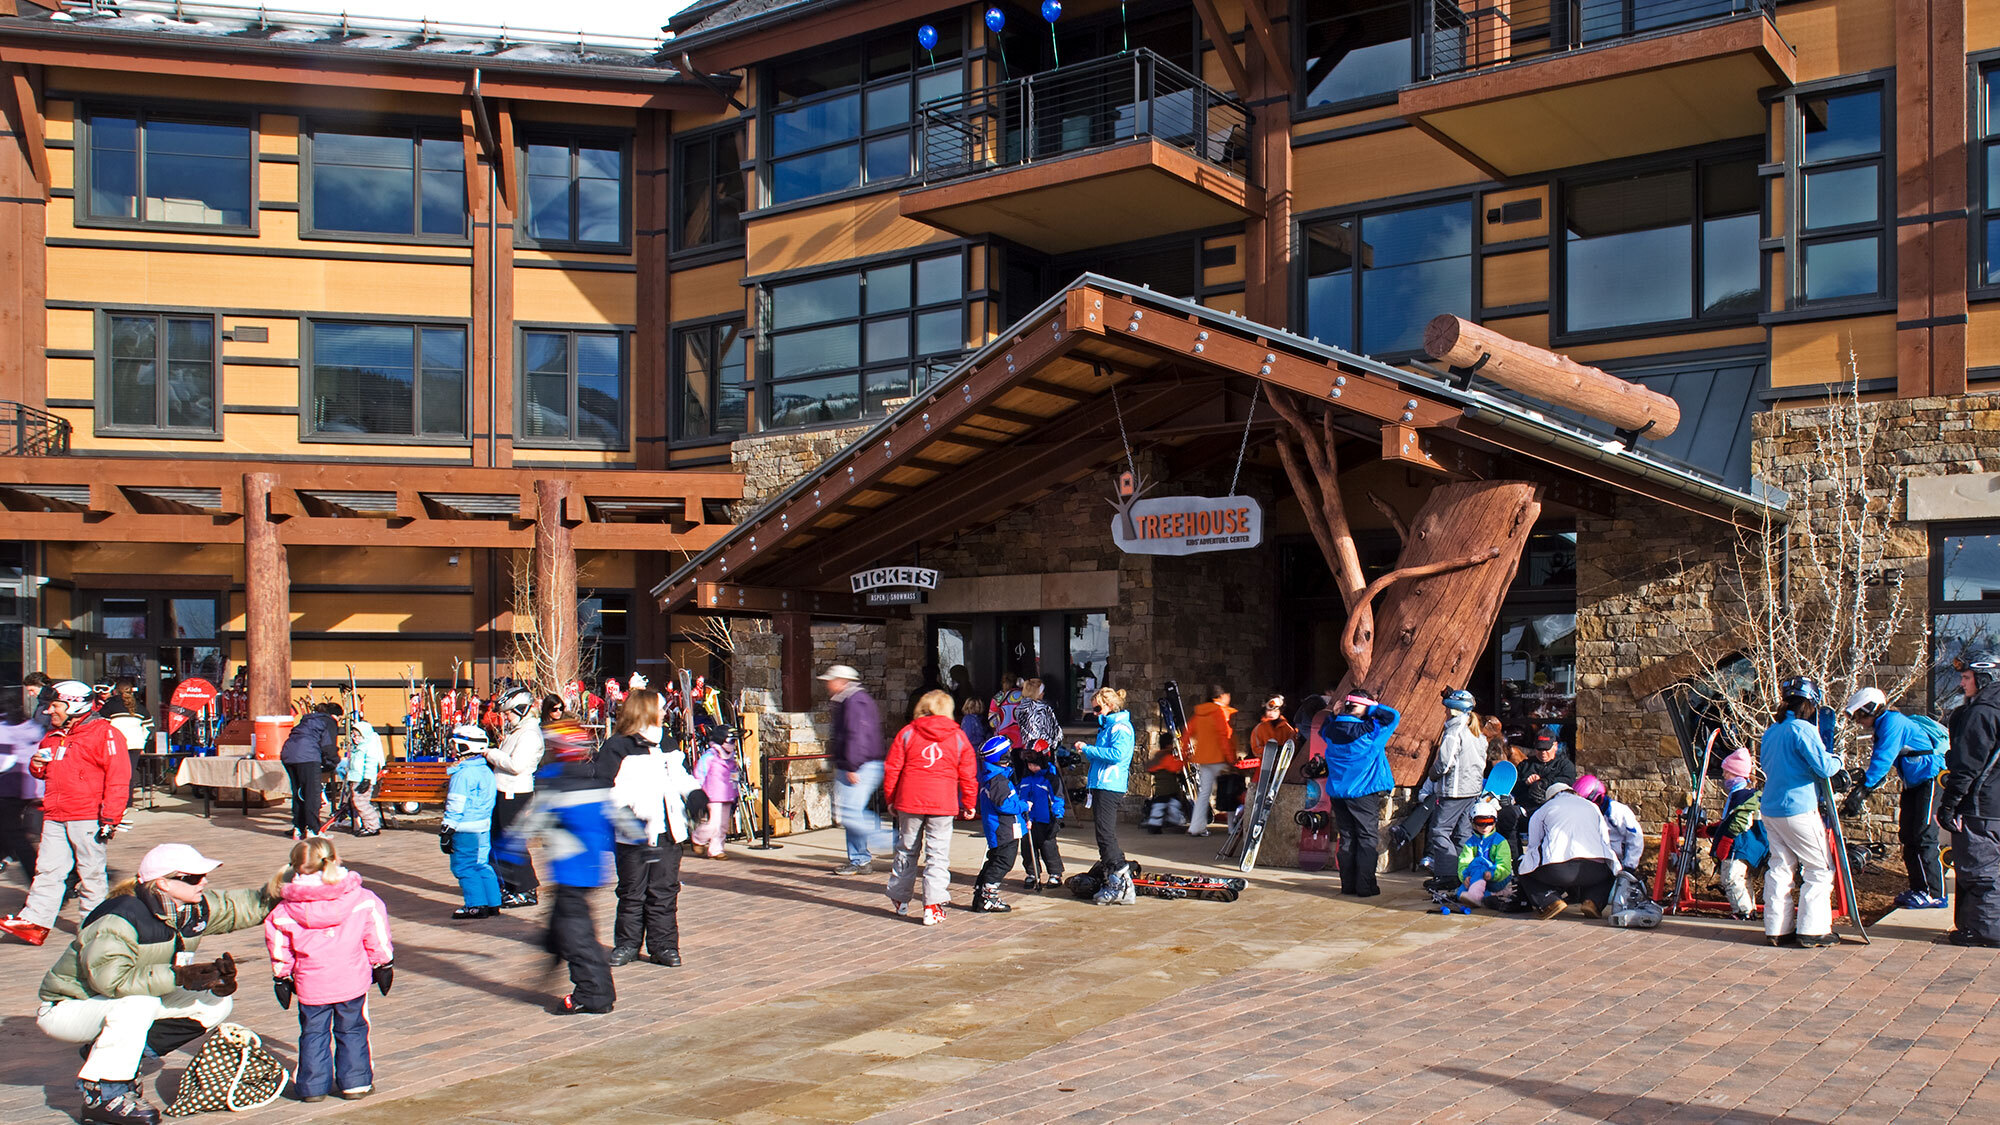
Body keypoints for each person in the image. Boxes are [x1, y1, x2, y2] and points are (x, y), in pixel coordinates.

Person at [37, 842, 277, 1125]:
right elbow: (109, 981)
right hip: (68, 1006)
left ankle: (112, 1054)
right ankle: (104, 1095)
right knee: (139, 1003)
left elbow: (238, 907)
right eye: (193, 877)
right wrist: (179, 977)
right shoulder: (120, 917)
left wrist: (286, 887)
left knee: (214, 1003)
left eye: (203, 876)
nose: (204, 882)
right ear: (162, 883)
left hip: (122, 999)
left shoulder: (188, 908)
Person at [494, 718, 617, 1014]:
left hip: (571, 871)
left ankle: (593, 993)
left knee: (576, 935)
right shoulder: (593, 778)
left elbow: (534, 820)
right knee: (562, 928)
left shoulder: (556, 781)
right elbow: (616, 818)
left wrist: (508, 851)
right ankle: (554, 958)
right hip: (587, 870)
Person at [263, 836, 393, 1103]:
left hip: (311, 984)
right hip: (351, 980)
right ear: (335, 860)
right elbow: (376, 933)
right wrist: (383, 963)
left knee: (313, 1033)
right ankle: (355, 1083)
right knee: (353, 1029)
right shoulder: (361, 898)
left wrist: (281, 976)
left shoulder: (284, 909)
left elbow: (279, 947)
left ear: (296, 866)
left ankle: (312, 1086)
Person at [1, 681, 130, 947]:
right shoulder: (53, 734)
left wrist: (110, 819)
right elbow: (43, 769)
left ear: (74, 704)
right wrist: (36, 765)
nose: (48, 711)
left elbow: (119, 779)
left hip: (87, 816)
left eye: (55, 705)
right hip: (55, 813)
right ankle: (34, 923)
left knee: (90, 873)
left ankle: (92, 927)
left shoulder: (105, 734)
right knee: (47, 870)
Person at [601, 689, 702, 968]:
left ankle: (664, 946)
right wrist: (623, 815)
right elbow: (604, 788)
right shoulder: (617, 746)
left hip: (667, 830)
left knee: (664, 890)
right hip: (633, 833)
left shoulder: (666, 742)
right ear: (645, 710)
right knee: (632, 890)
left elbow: (680, 775)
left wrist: (694, 794)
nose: (664, 712)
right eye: (660, 708)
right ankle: (628, 944)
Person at [1840, 687, 1948, 909]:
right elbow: (1882, 765)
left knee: (1923, 836)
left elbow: (1882, 760)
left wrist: (1862, 792)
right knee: (1907, 836)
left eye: (1860, 715)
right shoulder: (1883, 726)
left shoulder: (1892, 723)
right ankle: (1919, 889)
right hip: (1914, 783)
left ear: (1871, 708)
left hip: (1930, 780)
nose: (1859, 721)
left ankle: (1934, 893)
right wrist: (1862, 789)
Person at [1760, 676, 1843, 948]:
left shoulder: (1772, 731)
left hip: (1771, 807)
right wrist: (1839, 761)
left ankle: (1777, 928)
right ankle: (1813, 929)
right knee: (1819, 867)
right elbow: (1823, 767)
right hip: (1798, 808)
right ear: (1812, 703)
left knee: (1780, 867)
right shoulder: (1802, 729)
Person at [883, 690, 978, 926]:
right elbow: (967, 774)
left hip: (910, 800)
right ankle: (933, 905)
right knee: (937, 854)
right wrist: (969, 802)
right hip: (943, 802)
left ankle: (899, 898)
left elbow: (892, 769)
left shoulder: (907, 733)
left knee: (906, 850)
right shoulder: (957, 737)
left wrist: (891, 798)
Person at [1941, 652, 2000, 947]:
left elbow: (1967, 765)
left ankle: (1984, 930)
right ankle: (1971, 925)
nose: (1962, 684)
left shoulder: (1983, 711)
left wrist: (1949, 802)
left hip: (1981, 804)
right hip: (1994, 804)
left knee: (1980, 870)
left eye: (1966, 678)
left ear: (1983, 678)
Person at [1321, 690, 1400, 898]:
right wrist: (1371, 707)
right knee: (1366, 838)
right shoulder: (1371, 730)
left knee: (1346, 837)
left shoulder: (1331, 730)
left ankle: (1347, 885)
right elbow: (1393, 716)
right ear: (1363, 706)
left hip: (1338, 794)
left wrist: (1335, 713)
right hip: (1363, 793)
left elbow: (1322, 729)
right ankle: (1365, 887)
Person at [824, 664, 890, 876]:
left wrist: (852, 764)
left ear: (841, 681)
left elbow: (856, 734)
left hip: (859, 765)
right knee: (850, 812)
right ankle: (860, 859)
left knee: (850, 813)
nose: (827, 684)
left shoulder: (854, 701)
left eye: (830, 680)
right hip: (856, 763)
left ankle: (890, 841)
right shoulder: (849, 700)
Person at [1517, 782, 1619, 919]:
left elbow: (1533, 846)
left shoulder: (1544, 809)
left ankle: (1549, 900)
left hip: (1556, 870)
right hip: (1594, 871)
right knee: (1610, 867)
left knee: (1522, 866)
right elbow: (1605, 842)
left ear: (1550, 797)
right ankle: (1593, 901)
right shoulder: (1593, 807)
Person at [1075, 687, 1136, 906]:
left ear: (1109, 706)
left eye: (1098, 708)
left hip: (1110, 785)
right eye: (1092, 709)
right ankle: (1119, 878)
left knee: (1105, 834)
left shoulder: (1120, 727)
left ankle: (1120, 880)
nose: (1095, 712)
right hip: (1103, 784)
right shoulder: (1109, 727)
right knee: (1104, 834)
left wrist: (1089, 750)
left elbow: (1118, 755)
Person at [485, 686, 543, 909]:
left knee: (512, 842)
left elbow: (516, 765)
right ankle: (508, 885)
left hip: (515, 793)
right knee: (501, 841)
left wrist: (490, 753)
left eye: (509, 713)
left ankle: (525, 889)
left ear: (521, 710)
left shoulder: (529, 734)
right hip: (505, 791)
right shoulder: (519, 732)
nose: (506, 717)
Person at [1426, 688, 1488, 891]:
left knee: (1439, 831)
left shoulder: (1454, 730)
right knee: (1462, 833)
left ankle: (1447, 875)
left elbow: (1445, 762)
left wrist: (1432, 774)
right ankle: (1463, 874)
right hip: (1471, 790)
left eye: (1447, 709)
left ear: (1453, 710)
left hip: (1454, 791)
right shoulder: (1477, 732)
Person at [440, 724, 501, 921]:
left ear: (464, 747)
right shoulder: (486, 771)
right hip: (483, 826)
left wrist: (447, 830)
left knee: (465, 866)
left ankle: (475, 906)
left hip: (465, 828)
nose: (451, 749)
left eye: (453, 745)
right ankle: (493, 903)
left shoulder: (463, 774)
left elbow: (456, 804)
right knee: (481, 864)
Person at [973, 735, 1030, 913]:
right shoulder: (998, 781)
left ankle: (981, 895)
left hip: (1004, 828)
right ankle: (988, 895)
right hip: (1003, 830)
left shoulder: (996, 777)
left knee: (995, 860)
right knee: (1003, 861)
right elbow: (1004, 805)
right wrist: (1023, 805)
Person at [1712, 749, 1763, 918]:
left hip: (1738, 845)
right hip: (1743, 845)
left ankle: (1743, 911)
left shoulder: (1742, 795)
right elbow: (1730, 819)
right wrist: (1711, 830)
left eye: (1727, 772)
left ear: (1736, 773)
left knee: (1731, 878)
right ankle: (1750, 909)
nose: (1724, 775)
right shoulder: (1739, 794)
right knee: (1743, 878)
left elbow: (1740, 821)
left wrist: (1726, 839)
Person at [280, 702, 341, 841]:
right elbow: (328, 746)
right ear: (334, 715)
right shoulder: (328, 721)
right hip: (308, 757)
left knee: (299, 793)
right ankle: (313, 830)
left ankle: (298, 828)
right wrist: (332, 763)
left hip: (288, 755)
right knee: (311, 794)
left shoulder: (308, 720)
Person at [2, 689, 46, 881]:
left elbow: (3, 761)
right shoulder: (30, 725)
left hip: (9, 786)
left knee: (15, 834)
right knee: (9, 829)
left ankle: (37, 878)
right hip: (32, 784)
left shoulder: (3, 728)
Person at [1185, 686, 1237, 838]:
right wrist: (1231, 758)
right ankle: (1231, 827)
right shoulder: (1219, 712)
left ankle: (1195, 827)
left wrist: (1185, 754)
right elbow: (1224, 737)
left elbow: (1188, 732)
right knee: (1230, 791)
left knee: (1203, 794)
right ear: (1222, 696)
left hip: (1204, 758)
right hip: (1220, 758)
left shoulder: (1199, 713)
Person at [1016, 745, 1066, 892]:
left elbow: (1057, 799)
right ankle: (1032, 873)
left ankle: (1055, 873)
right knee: (1027, 848)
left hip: (1046, 820)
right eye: (1030, 764)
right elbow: (1018, 794)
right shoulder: (1024, 778)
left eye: (1035, 764)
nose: (1032, 767)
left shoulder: (1050, 779)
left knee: (1048, 847)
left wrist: (1057, 817)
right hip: (1027, 820)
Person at [1573, 774, 1645, 873]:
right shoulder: (1589, 814)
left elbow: (1635, 837)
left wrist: (1629, 865)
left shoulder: (1618, 812)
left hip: (1620, 865)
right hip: (1599, 862)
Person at [1455, 797, 1513, 908]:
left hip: (1497, 879)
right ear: (1473, 823)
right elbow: (1464, 862)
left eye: (1489, 822)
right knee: (1460, 893)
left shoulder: (1500, 842)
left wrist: (1492, 874)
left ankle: (1476, 895)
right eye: (1480, 822)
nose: (1485, 827)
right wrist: (1465, 877)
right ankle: (1490, 895)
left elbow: (1504, 866)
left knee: (1479, 863)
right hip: (1477, 877)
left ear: (1495, 822)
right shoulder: (1470, 842)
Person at [337, 707, 384, 837]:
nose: (355, 738)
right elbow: (353, 764)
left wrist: (368, 779)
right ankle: (368, 825)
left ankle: (373, 825)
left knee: (361, 803)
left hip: (362, 780)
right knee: (356, 803)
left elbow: (370, 764)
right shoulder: (357, 748)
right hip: (354, 778)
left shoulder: (368, 747)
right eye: (353, 735)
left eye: (357, 735)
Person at [692, 734, 738, 860]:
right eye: (731, 740)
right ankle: (698, 838)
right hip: (712, 795)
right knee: (713, 824)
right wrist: (699, 790)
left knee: (723, 826)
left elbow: (734, 776)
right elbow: (700, 773)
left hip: (727, 795)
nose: (733, 744)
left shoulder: (732, 758)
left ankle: (716, 850)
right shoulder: (710, 756)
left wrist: (735, 792)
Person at [1140, 728, 1189, 833]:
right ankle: (1175, 822)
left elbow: (1150, 768)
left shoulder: (1158, 756)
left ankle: (1154, 825)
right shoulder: (1167, 757)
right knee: (1174, 805)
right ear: (1169, 745)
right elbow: (1175, 767)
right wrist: (1184, 759)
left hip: (1159, 789)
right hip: (1170, 789)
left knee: (1158, 807)